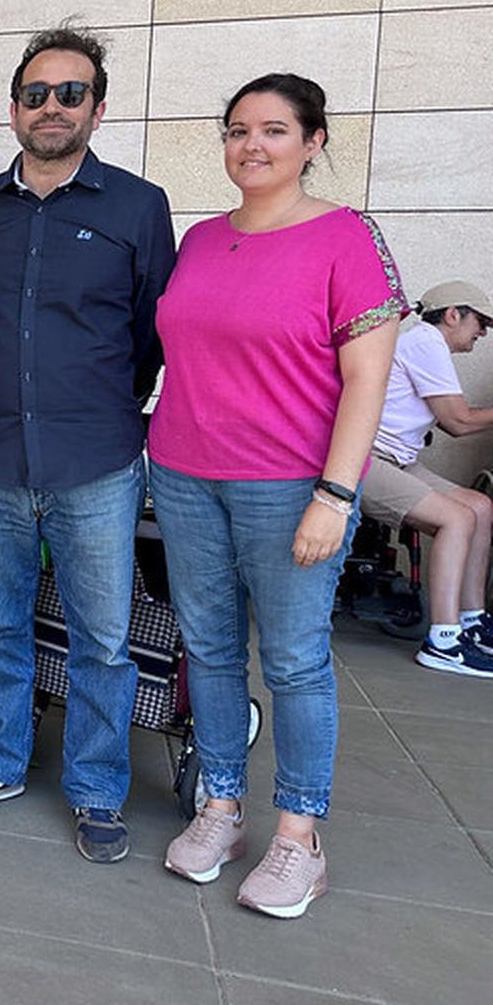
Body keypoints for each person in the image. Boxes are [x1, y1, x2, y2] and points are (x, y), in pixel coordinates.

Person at [149, 73, 405, 919]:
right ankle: (221, 806)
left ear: (313, 141)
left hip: (290, 485)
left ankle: (299, 837)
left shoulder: (346, 238)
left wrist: (336, 494)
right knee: (212, 648)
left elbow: (366, 381)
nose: (250, 145)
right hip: (185, 477)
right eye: (236, 131)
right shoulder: (199, 240)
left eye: (272, 130)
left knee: (294, 661)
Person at [0, 28, 176, 864]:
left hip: (97, 462)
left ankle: (97, 788)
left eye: (70, 94)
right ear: (13, 109)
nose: (51, 108)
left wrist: (97, 403)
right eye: (36, 94)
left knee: (102, 638)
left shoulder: (137, 207)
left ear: (97, 109)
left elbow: (153, 331)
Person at [365, 280, 493, 676]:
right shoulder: (425, 343)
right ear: (453, 314)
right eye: (480, 322)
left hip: (397, 461)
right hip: (365, 460)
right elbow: (457, 422)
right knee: (457, 518)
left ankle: (472, 623)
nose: (483, 333)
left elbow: (454, 414)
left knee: (481, 506)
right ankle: (443, 641)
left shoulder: (426, 347)